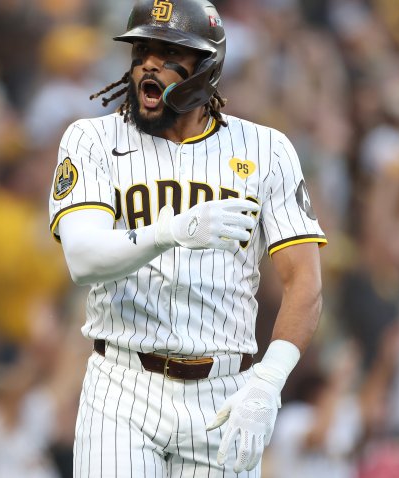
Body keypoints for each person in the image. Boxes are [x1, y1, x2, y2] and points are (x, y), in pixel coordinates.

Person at [48, 1, 325, 476]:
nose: (149, 64)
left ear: (207, 68)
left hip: (223, 391)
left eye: (170, 51)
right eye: (142, 50)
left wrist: (267, 383)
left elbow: (305, 282)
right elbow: (83, 258)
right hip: (123, 384)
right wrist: (172, 232)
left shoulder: (266, 150)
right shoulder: (91, 139)